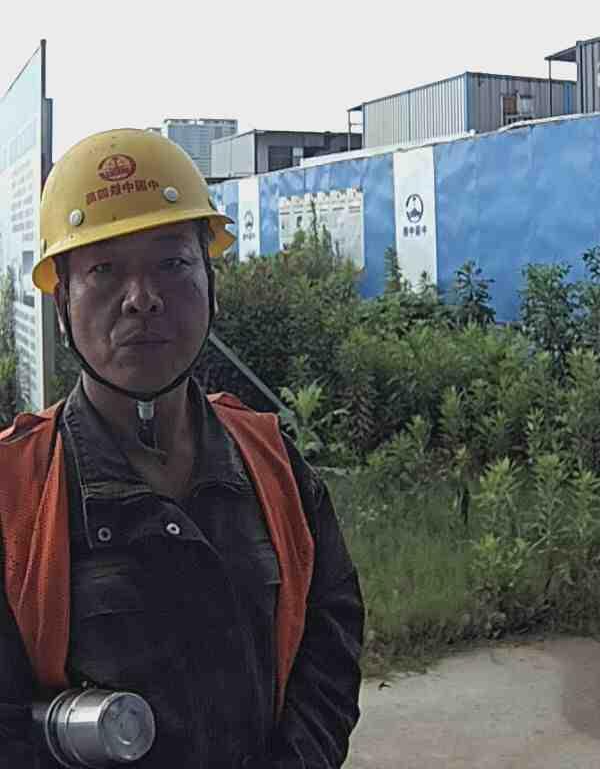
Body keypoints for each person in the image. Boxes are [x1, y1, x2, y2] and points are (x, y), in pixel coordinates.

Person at [0, 128, 364, 768]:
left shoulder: (271, 459)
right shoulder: (14, 491)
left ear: (209, 278)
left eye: (171, 263)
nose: (142, 299)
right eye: (104, 269)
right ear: (62, 300)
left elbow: (329, 639)